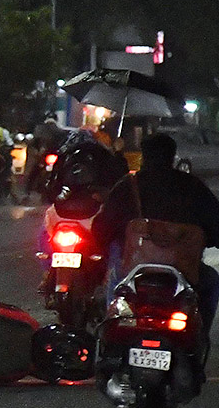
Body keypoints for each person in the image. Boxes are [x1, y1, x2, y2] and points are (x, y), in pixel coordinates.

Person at [92, 133, 219, 334]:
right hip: (182, 273)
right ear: (172, 156)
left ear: (144, 156)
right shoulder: (193, 187)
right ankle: (200, 336)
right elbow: (215, 225)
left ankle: (108, 333)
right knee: (211, 281)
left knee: (117, 285)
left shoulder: (127, 186)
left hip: (133, 269)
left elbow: (102, 228)